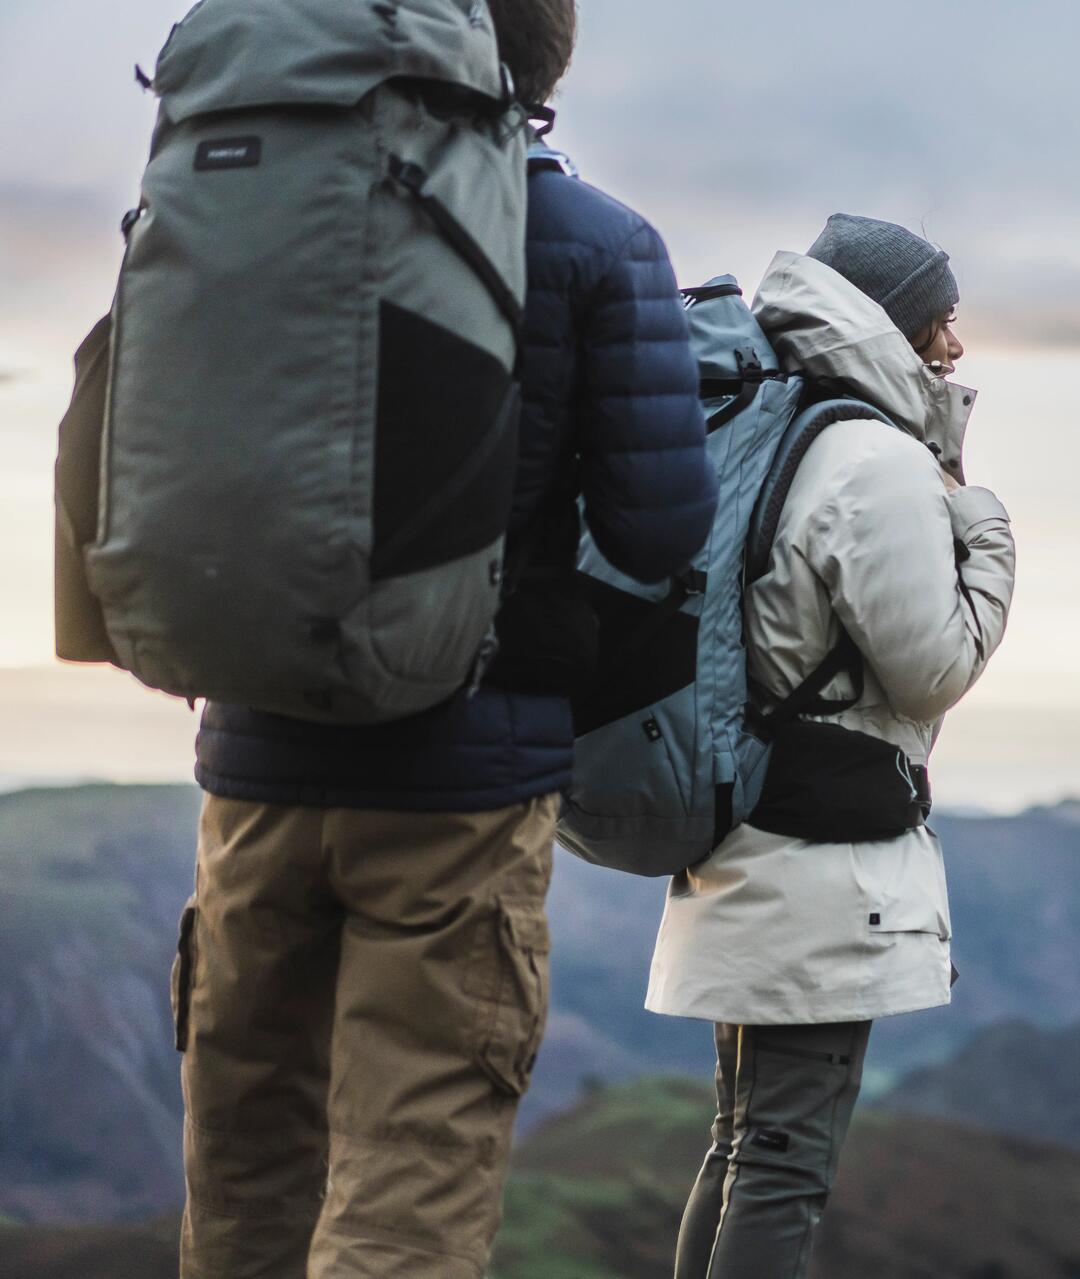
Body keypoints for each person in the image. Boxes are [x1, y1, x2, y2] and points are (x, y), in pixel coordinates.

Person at [174, 2, 718, 1272]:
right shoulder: (594, 239)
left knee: (242, 1174)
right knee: (408, 1179)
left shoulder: (255, 187)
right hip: (457, 788)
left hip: (252, 762)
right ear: (544, 61)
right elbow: (658, 533)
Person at [648, 214, 1016, 1279]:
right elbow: (934, 666)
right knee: (785, 1160)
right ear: (895, 320)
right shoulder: (867, 457)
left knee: (745, 1141)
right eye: (943, 320)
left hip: (747, 828)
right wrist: (984, 527)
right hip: (824, 859)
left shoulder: (778, 424)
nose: (954, 346)